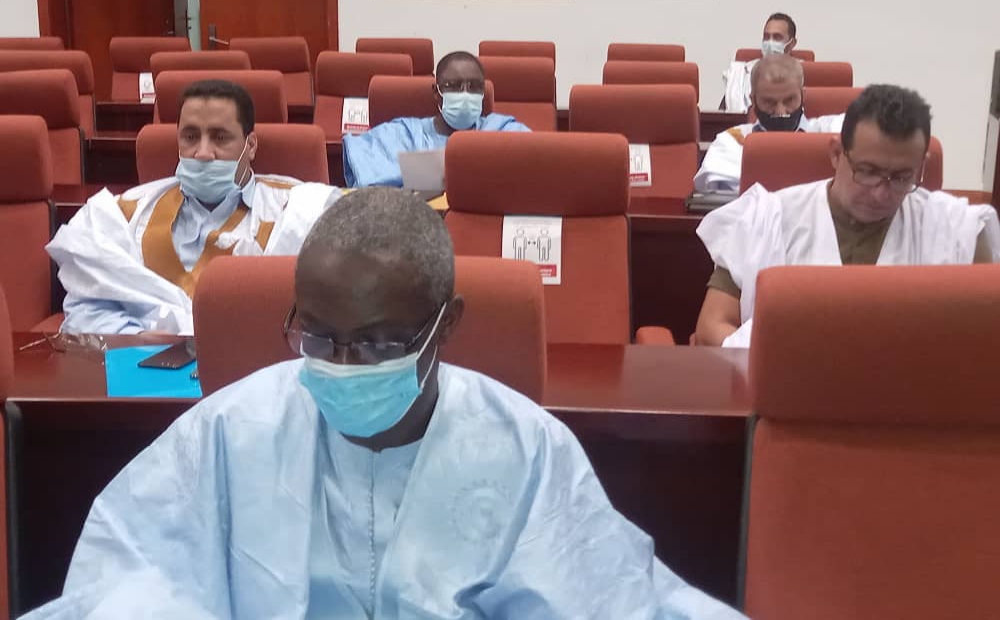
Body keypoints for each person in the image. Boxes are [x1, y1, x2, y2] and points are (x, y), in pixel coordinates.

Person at [22, 188, 745, 619]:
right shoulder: (229, 429)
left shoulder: (524, 447)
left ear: (446, 326)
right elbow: (126, 576)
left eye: (375, 344)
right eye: (318, 336)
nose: (340, 365)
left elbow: (603, 597)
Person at [695, 84, 1000, 348]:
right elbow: (711, 328)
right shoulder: (766, 216)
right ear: (837, 153)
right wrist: (786, 357)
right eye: (868, 171)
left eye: (901, 177)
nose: (881, 193)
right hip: (785, 388)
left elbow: (986, 339)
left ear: (922, 165)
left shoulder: (957, 229)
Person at [46, 80, 339, 336]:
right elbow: (84, 308)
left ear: (250, 146)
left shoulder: (299, 208)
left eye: (220, 137)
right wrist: (135, 338)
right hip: (144, 368)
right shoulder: (127, 213)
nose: (202, 153)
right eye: (190, 137)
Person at [342, 51, 530, 187]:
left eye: (474, 86)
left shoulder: (500, 128)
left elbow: (530, 162)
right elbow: (370, 179)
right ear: (436, 91)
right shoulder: (404, 132)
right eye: (453, 85)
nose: (465, 94)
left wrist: (425, 172)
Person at [695, 55, 845, 193]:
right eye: (769, 102)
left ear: (803, 96)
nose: (780, 111)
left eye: (789, 100)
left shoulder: (830, 131)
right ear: (753, 100)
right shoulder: (733, 141)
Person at [722, 12, 799, 112]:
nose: (770, 42)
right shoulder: (742, 74)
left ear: (792, 43)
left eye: (777, 37)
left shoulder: (802, 73)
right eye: (766, 37)